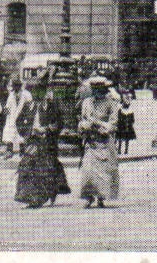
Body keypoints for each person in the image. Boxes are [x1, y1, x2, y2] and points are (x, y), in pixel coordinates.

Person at [14, 78, 70, 209]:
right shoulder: (29, 106)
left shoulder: (51, 106)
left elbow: (60, 122)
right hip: (33, 141)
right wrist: (29, 132)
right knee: (28, 166)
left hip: (47, 142)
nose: (36, 95)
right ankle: (31, 197)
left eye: (39, 92)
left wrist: (47, 130)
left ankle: (50, 192)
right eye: (33, 92)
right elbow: (19, 121)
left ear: (44, 92)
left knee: (47, 168)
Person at [77, 75, 121, 207]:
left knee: (104, 171)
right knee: (88, 170)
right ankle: (89, 197)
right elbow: (83, 119)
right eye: (94, 89)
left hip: (104, 142)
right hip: (91, 141)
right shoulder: (87, 102)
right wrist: (84, 126)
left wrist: (98, 124)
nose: (96, 92)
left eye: (99, 89)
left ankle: (101, 197)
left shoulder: (111, 103)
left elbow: (113, 124)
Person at [114, 88, 137, 155]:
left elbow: (132, 119)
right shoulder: (120, 110)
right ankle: (119, 149)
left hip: (127, 125)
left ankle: (125, 150)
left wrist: (130, 123)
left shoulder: (130, 110)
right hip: (121, 125)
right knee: (120, 138)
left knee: (126, 138)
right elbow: (118, 118)